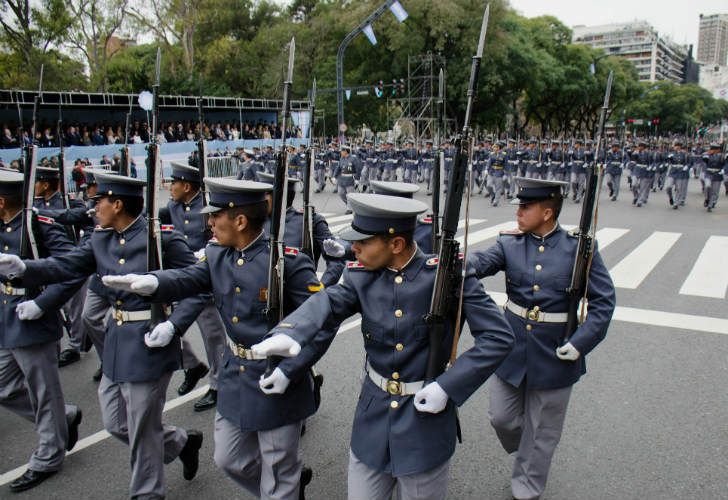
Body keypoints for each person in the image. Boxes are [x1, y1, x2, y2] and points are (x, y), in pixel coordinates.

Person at [252, 192, 514, 500]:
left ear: (396, 244)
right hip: (373, 419)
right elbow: (329, 301)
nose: (354, 248)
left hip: (425, 421)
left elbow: (498, 337)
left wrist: (447, 387)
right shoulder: (360, 275)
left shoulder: (448, 276)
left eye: (364, 241)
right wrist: (290, 332)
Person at [102, 178, 327, 499]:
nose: (208, 222)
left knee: (279, 472)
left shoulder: (287, 262)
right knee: (229, 458)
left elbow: (320, 320)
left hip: (278, 377)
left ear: (239, 220)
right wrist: (152, 282)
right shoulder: (217, 254)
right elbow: (188, 277)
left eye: (215, 215)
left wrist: (292, 368)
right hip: (237, 374)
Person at [0, 172, 206, 498]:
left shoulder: (161, 238)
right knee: (115, 423)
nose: (94, 207)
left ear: (118, 203)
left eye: (100, 201)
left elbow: (199, 285)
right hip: (117, 341)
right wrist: (25, 270)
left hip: (152, 341)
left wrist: (174, 325)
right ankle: (180, 442)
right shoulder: (100, 239)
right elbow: (66, 266)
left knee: (141, 430)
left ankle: (147, 493)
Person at [469, 177, 616, 500]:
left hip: (556, 349)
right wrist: (453, 265)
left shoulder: (579, 250)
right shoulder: (510, 243)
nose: (519, 212)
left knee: (543, 430)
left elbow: (604, 303)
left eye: (526, 207)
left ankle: (527, 486)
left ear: (547, 212)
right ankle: (529, 449)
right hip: (512, 346)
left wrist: (580, 344)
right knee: (502, 417)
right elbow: (480, 263)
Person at [0, 169, 83, 493]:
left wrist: (44, 303)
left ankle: (48, 455)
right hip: (7, 319)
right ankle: (64, 417)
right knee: (4, 388)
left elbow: (72, 269)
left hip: (33, 318)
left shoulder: (40, 226)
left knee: (43, 392)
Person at [167, 162, 228, 411]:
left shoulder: (207, 208)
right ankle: (192, 364)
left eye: (174, 183)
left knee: (212, 335)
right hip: (179, 276)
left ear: (187, 186)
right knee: (165, 326)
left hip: (204, 278)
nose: (170, 188)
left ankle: (218, 384)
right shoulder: (172, 207)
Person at [702, 143, 725, 212]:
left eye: (717, 149)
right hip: (709, 173)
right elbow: (704, 159)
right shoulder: (707, 154)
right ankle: (707, 198)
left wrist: (723, 169)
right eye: (714, 149)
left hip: (717, 174)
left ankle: (710, 205)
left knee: (715, 191)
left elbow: (725, 163)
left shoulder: (722, 156)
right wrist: (709, 153)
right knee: (707, 186)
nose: (716, 150)